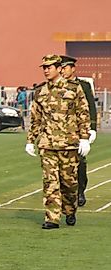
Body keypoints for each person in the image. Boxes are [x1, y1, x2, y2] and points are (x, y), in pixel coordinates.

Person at [25, 54, 91, 229]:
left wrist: (85, 138)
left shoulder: (74, 89)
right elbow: (36, 119)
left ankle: (70, 209)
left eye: (50, 67)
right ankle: (52, 218)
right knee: (50, 182)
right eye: (44, 67)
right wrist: (31, 140)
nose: (46, 70)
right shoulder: (40, 91)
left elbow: (83, 114)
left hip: (69, 144)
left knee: (69, 183)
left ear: (59, 68)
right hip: (48, 145)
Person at [59, 55, 98, 207]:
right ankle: (63, 194)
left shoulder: (84, 85)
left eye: (65, 68)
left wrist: (92, 128)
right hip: (60, 130)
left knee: (80, 162)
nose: (62, 71)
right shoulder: (56, 86)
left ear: (73, 69)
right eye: (60, 68)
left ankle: (80, 191)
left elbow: (91, 107)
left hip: (78, 130)